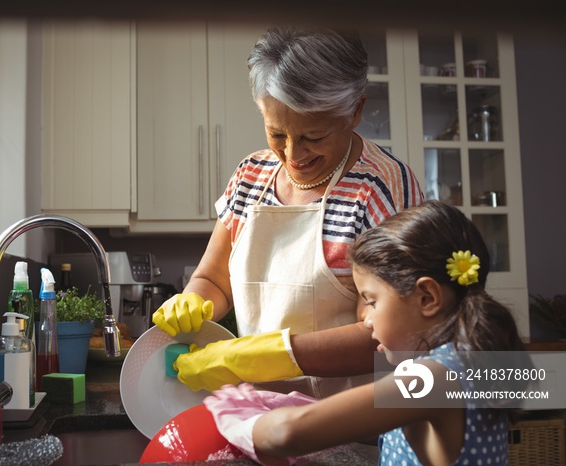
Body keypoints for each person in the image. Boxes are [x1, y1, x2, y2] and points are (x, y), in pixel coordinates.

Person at [152, 26, 424, 396]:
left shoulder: (381, 186)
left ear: (355, 110)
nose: (294, 155)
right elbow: (214, 280)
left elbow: (389, 336)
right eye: (277, 134)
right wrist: (192, 301)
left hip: (349, 419)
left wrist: (264, 356)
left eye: (314, 137)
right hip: (258, 411)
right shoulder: (251, 175)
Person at [203, 200, 527, 466]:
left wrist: (233, 412)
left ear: (427, 298)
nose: (367, 320)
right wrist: (312, 411)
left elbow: (288, 434)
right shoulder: (464, 363)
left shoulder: (432, 377)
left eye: (372, 301)